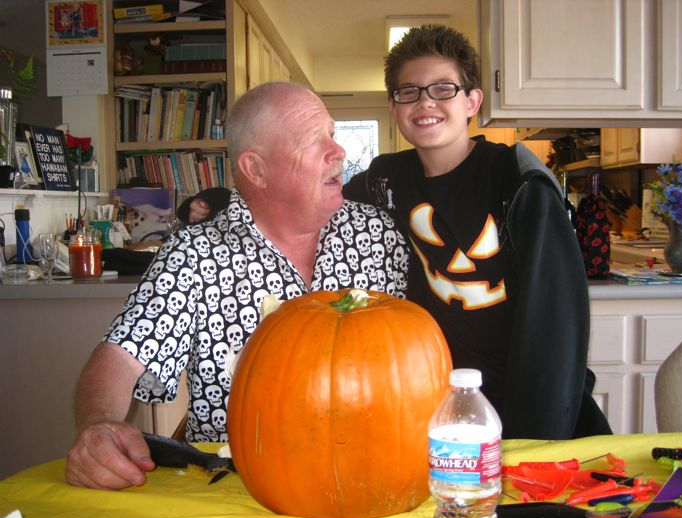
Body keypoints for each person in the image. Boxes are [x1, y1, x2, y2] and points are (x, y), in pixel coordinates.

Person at [184, 26, 611, 440]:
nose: (425, 103)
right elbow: (308, 198)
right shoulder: (385, 181)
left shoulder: (518, 184)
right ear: (393, 106)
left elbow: (557, 330)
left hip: (532, 408)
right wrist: (229, 199)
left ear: (472, 101)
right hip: (439, 407)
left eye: (443, 88)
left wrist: (538, 441)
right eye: (409, 91)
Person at [65, 82, 410, 490]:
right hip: (236, 487)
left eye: (332, 135)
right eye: (314, 141)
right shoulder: (194, 252)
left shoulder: (377, 234)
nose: (339, 153)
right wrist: (100, 426)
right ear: (256, 169)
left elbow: (412, 356)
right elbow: (121, 356)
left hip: (367, 472)